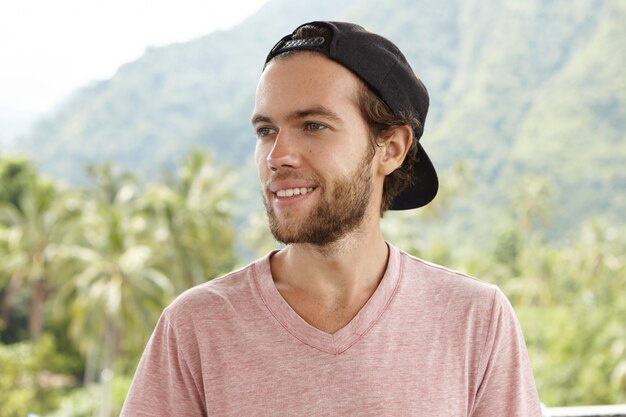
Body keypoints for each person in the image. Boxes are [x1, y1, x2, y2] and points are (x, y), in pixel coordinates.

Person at [121, 21, 542, 416]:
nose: (277, 156)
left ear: (391, 149)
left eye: (313, 125)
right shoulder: (197, 326)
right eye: (266, 130)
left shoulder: (475, 318)